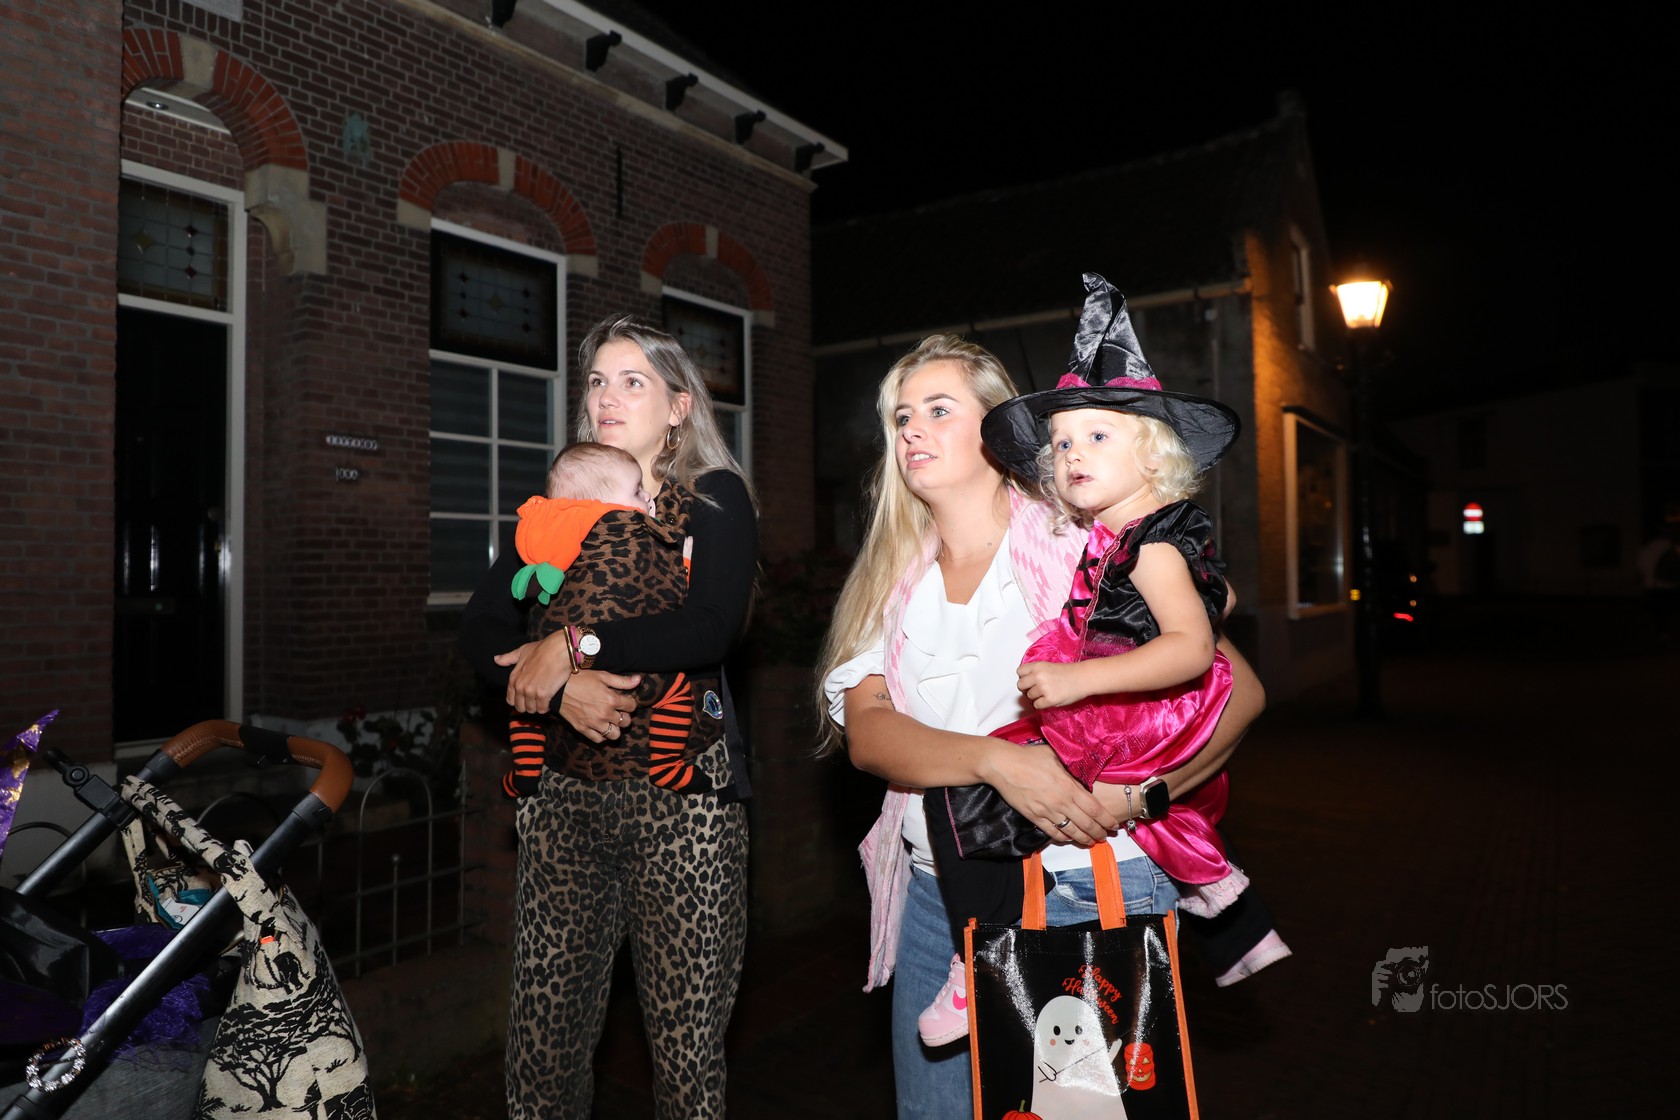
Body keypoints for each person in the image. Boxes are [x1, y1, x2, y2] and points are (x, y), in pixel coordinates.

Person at [815, 328, 1265, 1120]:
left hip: (1082, 885)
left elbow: (1240, 692)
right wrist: (999, 763)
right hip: (936, 896)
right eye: (901, 416)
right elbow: (872, 737)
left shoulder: (1084, 548)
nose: (912, 429)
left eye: (938, 409)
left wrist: (1140, 798)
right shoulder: (890, 576)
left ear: (998, 431)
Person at [915, 274, 1286, 1045]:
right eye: (1061, 444)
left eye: (1098, 437)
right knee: (978, 798)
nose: (1072, 454)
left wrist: (1081, 676)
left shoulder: (1148, 543)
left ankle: (978, 959)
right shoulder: (1120, 538)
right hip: (1123, 721)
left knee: (965, 804)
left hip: (1138, 725)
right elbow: (1216, 597)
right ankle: (1231, 929)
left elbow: (1194, 648)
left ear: (1153, 457)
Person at [457, 315, 758, 1120]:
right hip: (562, 799)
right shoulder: (564, 505)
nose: (608, 397)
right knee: (543, 1041)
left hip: (684, 800)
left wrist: (575, 645)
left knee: (687, 1053)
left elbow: (710, 628)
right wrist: (559, 690)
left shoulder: (711, 497)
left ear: (679, 406)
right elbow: (480, 628)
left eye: (633, 382)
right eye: (597, 381)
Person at [500, 441, 713, 799]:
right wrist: (688, 561)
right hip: (625, 671)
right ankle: (666, 765)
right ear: (602, 504)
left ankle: (525, 770)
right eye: (636, 491)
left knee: (525, 702)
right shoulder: (635, 536)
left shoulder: (546, 533)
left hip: (553, 664)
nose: (647, 497)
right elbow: (671, 587)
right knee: (676, 690)